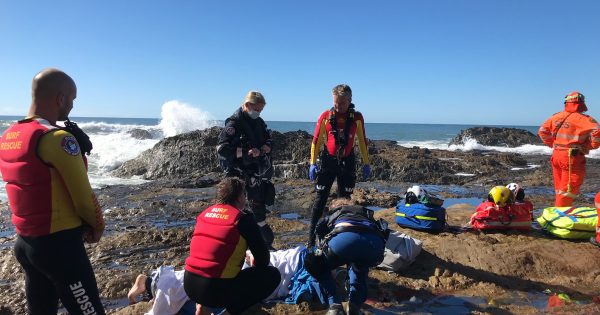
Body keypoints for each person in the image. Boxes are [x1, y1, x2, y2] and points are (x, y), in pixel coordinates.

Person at [0, 69, 105, 314]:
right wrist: (97, 227)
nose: (71, 106)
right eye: (72, 99)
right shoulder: (57, 138)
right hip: (60, 248)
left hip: (26, 245)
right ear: (60, 98)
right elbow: (84, 197)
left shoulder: (8, 136)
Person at [184, 177, 281, 315]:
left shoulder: (204, 214)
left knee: (209, 263)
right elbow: (263, 260)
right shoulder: (242, 219)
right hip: (215, 291)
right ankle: (228, 313)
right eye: (244, 194)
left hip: (189, 285)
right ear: (240, 197)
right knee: (272, 275)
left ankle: (202, 308)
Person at [307, 84, 371, 247]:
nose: (338, 106)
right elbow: (316, 141)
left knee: (344, 201)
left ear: (350, 100)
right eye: (335, 102)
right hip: (328, 161)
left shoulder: (357, 117)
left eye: (342, 103)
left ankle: (339, 238)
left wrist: (366, 162)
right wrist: (312, 163)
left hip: (347, 161)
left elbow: (362, 141)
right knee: (320, 200)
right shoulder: (326, 116)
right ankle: (311, 240)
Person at [305, 198, 386, 315]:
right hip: (373, 244)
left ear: (334, 207)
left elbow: (319, 237)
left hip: (343, 240)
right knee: (359, 268)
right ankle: (354, 305)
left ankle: (334, 304)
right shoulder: (366, 213)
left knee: (313, 262)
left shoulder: (335, 213)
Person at [216, 91, 276, 248]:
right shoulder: (233, 124)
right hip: (235, 173)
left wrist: (266, 147)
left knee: (257, 203)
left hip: (253, 172)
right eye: (257, 109)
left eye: (261, 110)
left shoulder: (259, 122)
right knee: (231, 207)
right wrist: (245, 152)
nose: (259, 112)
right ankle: (227, 240)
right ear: (248, 105)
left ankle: (263, 240)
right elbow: (222, 149)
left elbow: (269, 138)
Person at [538, 91, 600, 206]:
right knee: (568, 189)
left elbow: (542, 131)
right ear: (581, 103)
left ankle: (559, 211)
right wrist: (590, 146)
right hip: (571, 158)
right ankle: (560, 215)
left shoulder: (555, 116)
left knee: (560, 188)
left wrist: (553, 144)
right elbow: (597, 131)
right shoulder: (584, 119)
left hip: (556, 155)